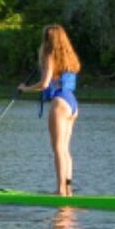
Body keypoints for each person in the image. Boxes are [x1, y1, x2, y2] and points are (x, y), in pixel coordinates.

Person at [19, 24, 81, 196]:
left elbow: (45, 84)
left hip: (60, 103)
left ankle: (61, 190)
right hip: (72, 103)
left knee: (58, 149)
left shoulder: (49, 53)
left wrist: (26, 88)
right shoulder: (70, 57)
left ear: (48, 38)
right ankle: (68, 189)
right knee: (65, 149)